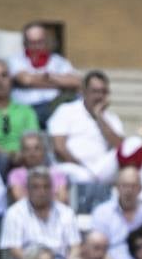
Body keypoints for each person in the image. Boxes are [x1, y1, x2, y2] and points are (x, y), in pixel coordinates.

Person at [48, 69, 125, 200]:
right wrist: (83, 167)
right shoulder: (66, 110)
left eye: (103, 92)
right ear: (83, 92)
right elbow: (59, 148)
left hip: (101, 170)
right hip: (72, 166)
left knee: (135, 146)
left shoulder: (111, 119)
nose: (99, 96)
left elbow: (122, 149)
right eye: (95, 91)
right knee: (79, 175)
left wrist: (100, 117)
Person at [0, 167, 81, 259]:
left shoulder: (67, 212)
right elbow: (14, 250)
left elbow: (76, 247)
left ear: (52, 189)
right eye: (36, 187)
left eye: (46, 187)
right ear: (27, 190)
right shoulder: (14, 212)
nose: (42, 192)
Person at [10, 22, 81, 126]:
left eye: (39, 42)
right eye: (32, 43)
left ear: (46, 41)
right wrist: (59, 82)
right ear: (25, 43)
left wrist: (48, 77)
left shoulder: (59, 61)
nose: (36, 47)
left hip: (53, 108)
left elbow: (76, 82)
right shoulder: (15, 60)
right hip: (26, 108)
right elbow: (25, 80)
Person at [7, 131, 68, 203]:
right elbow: (20, 200)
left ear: (44, 150)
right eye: (27, 149)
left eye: (37, 148)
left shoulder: (57, 173)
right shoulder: (15, 174)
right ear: (22, 153)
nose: (32, 153)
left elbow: (62, 199)